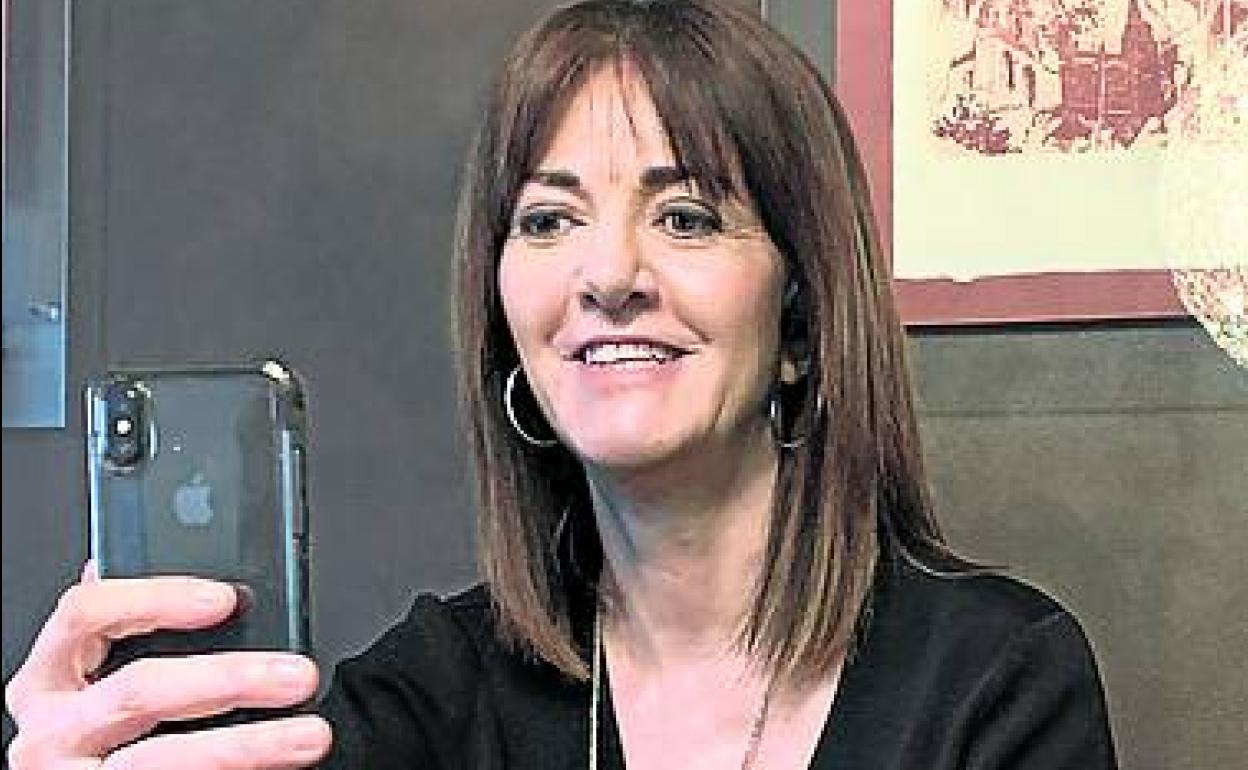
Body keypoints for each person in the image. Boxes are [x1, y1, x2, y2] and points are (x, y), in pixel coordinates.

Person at [5, 1, 1118, 768]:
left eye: (686, 216)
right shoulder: (439, 695)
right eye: (547, 220)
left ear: (799, 317)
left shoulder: (995, 680)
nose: (607, 275)